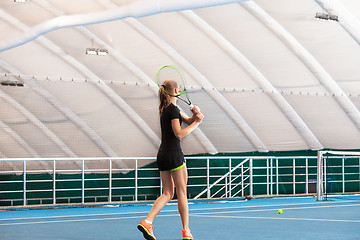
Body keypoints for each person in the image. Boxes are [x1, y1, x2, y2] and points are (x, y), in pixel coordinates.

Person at [137, 80, 204, 240]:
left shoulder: (167, 109)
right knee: (181, 193)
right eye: (179, 88)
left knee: (168, 193)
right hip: (174, 155)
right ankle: (186, 231)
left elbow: (187, 120)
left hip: (163, 155)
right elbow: (179, 133)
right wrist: (198, 123)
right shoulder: (173, 110)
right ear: (176, 90)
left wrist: (195, 114)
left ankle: (147, 221)